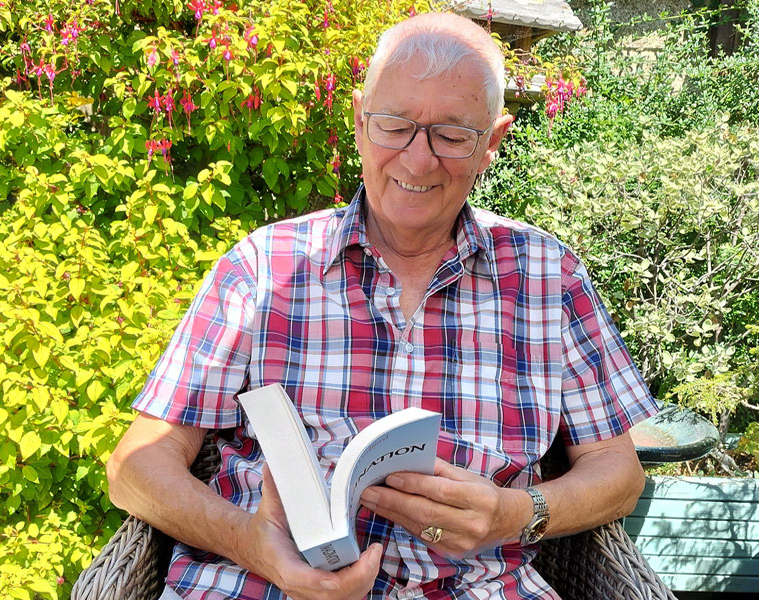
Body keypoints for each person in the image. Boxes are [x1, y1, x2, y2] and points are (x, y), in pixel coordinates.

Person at [107, 11, 659, 600]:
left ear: (491, 143)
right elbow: (136, 467)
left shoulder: (547, 275)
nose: (418, 162)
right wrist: (252, 543)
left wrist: (517, 512)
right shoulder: (264, 266)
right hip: (260, 585)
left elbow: (618, 474)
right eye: (395, 125)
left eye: (452, 136)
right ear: (358, 120)